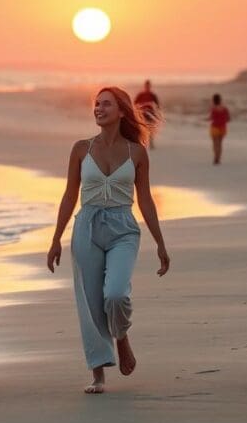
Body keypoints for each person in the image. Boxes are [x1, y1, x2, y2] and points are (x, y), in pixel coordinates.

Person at [47, 87, 170, 395]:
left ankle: (121, 333)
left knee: (115, 294)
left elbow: (146, 201)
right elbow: (68, 196)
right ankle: (98, 374)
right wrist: (55, 239)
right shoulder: (80, 148)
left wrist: (160, 243)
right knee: (90, 301)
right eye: (96, 104)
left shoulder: (137, 153)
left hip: (123, 228)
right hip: (86, 226)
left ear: (122, 111)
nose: (98, 109)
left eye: (106, 104)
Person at [134, 79, 160, 148]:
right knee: (142, 129)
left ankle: (151, 142)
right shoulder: (141, 95)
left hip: (151, 114)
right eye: (146, 86)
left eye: (148, 86)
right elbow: (135, 104)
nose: (147, 87)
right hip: (142, 114)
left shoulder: (152, 95)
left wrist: (157, 114)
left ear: (150, 86)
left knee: (150, 128)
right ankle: (142, 142)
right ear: (145, 86)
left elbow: (157, 105)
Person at [207, 93, 230, 164]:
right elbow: (228, 119)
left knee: (215, 144)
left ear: (213, 100)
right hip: (223, 128)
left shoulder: (213, 109)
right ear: (220, 100)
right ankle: (218, 159)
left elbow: (211, 118)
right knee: (220, 144)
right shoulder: (225, 108)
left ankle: (215, 158)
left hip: (214, 128)